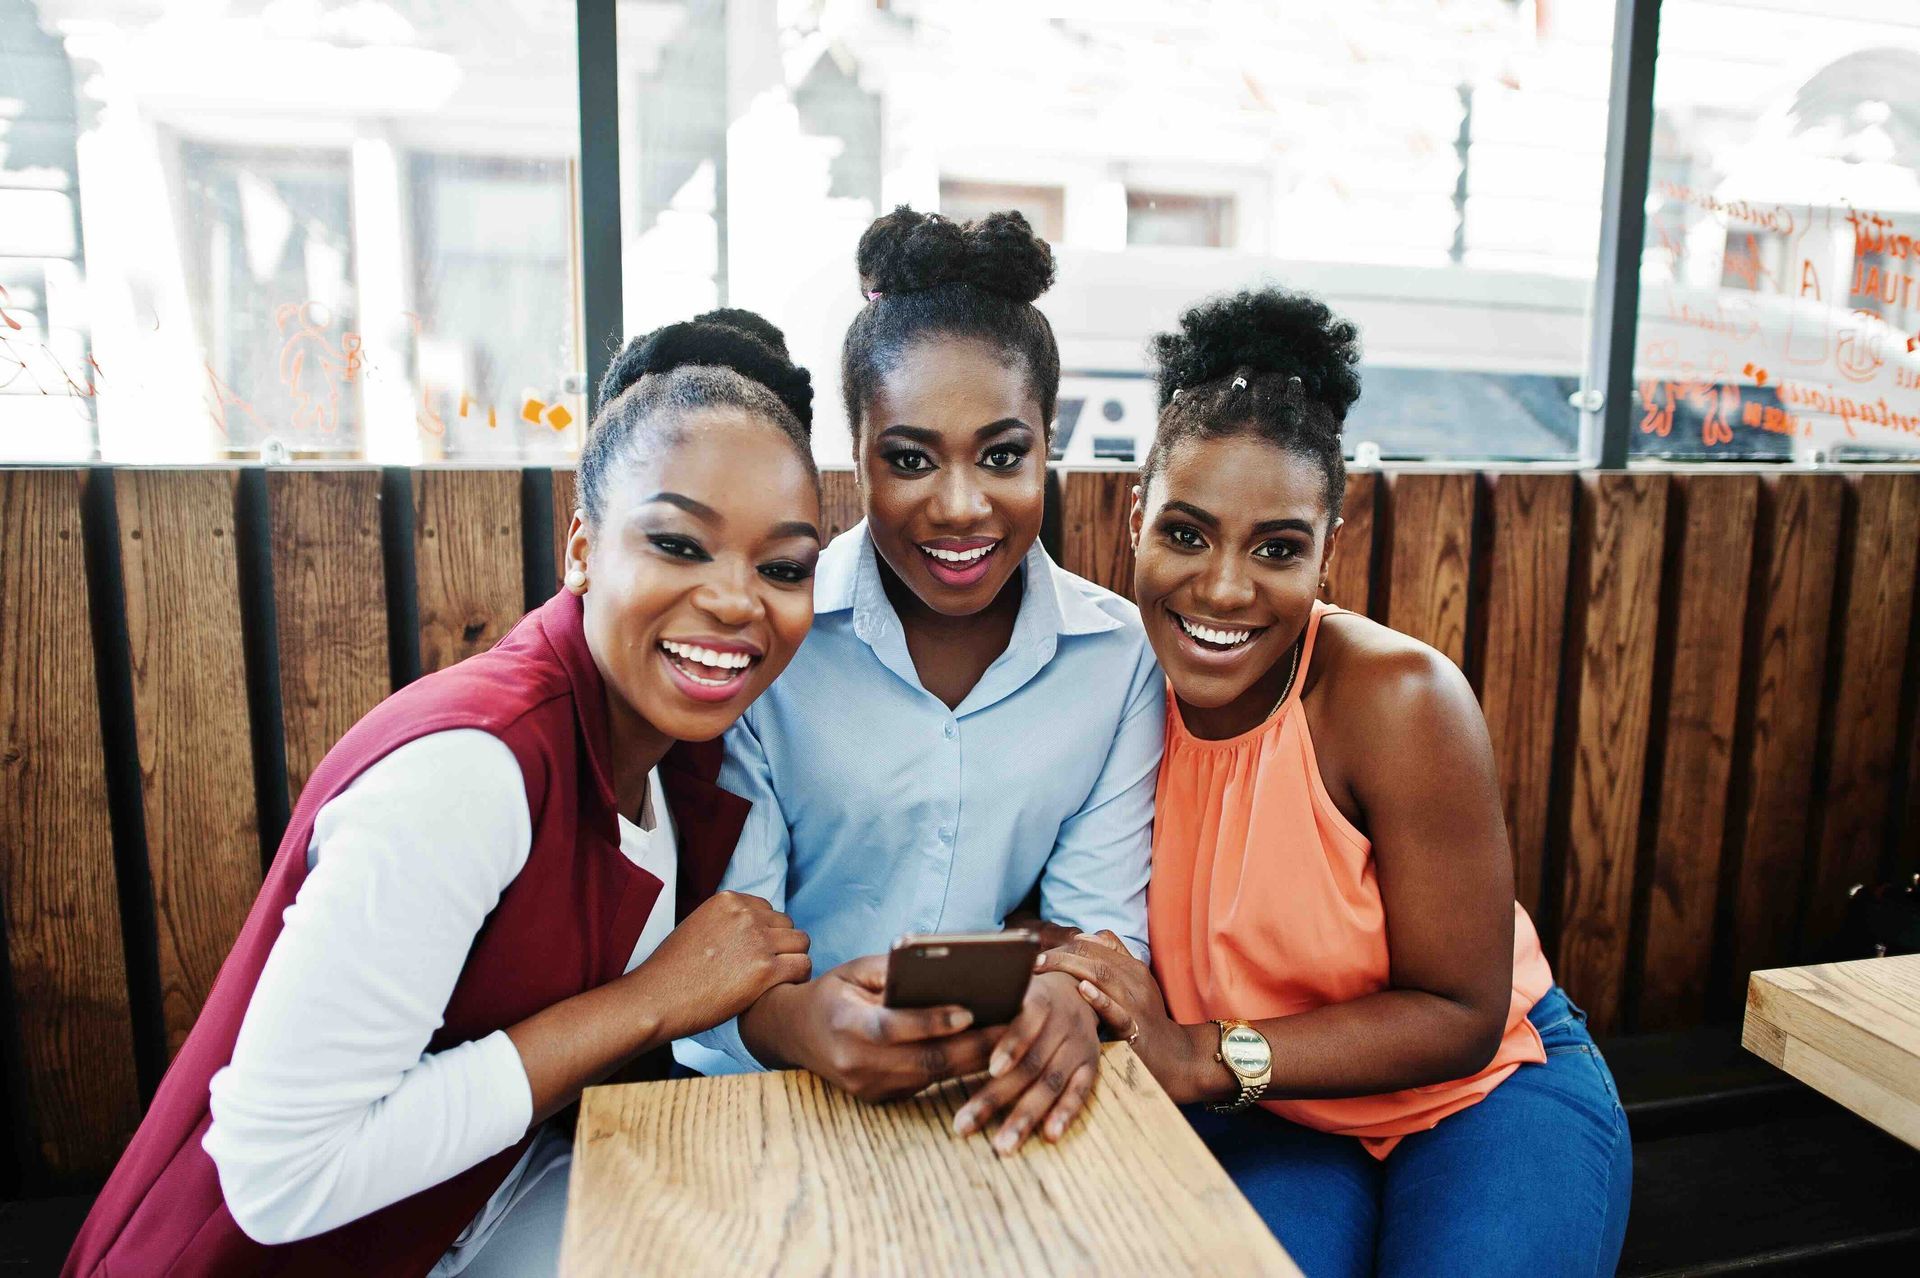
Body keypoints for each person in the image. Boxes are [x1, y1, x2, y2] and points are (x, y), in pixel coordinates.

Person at [65, 311, 824, 1277]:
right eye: (679, 544)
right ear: (583, 550)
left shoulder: (680, 747)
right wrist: (650, 1001)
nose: (734, 598)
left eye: (784, 567)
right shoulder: (469, 771)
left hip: (488, 1197)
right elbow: (276, 1175)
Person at [1037, 289, 1631, 1276]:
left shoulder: (1399, 699)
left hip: (1485, 1093)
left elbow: (1458, 1013)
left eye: (1277, 548)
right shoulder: (1103, 688)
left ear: (1329, 549)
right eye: (1186, 533)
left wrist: (1200, 1056)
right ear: (1135, 517)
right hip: (1273, 1121)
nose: (1224, 588)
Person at [676, 208, 1164, 1155]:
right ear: (854, 450)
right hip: (759, 1097)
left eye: (1003, 454)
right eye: (908, 459)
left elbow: (1097, 931)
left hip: (1001, 1095)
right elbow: (727, 941)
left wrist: (1069, 994)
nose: (960, 506)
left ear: (1047, 442)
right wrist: (802, 1023)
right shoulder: (768, 634)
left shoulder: (1116, 658)